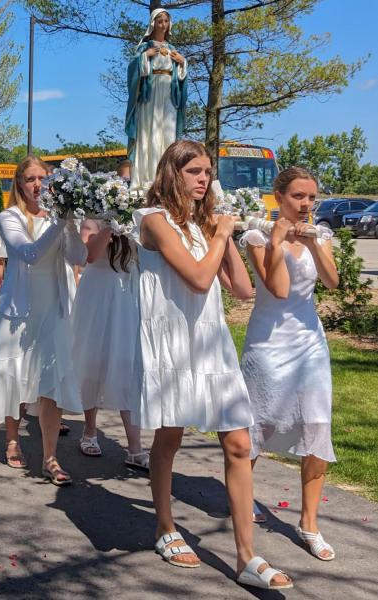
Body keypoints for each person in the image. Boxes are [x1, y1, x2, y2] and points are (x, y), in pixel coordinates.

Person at [131, 140, 291, 590]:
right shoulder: (153, 221)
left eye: (207, 172)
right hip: (173, 343)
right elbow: (199, 280)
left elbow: (241, 289)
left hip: (211, 341)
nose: (204, 179)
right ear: (172, 173)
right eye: (195, 171)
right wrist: (219, 234)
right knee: (170, 436)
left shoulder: (205, 226)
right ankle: (165, 526)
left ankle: (247, 557)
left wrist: (226, 236)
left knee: (239, 444)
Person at [241, 167, 339, 560]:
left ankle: (309, 523)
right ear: (278, 197)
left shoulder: (322, 235)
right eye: (298, 196)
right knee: (255, 425)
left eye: (312, 197)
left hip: (310, 343)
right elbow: (275, 289)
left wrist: (315, 245)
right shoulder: (256, 235)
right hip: (267, 341)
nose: (306, 205)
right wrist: (278, 240)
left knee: (317, 424)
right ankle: (242, 497)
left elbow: (332, 282)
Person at [0, 156, 87, 485]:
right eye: (30, 179)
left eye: (43, 178)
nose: (38, 185)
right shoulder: (10, 218)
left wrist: (69, 224)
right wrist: (58, 223)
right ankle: (12, 439)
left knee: (51, 382)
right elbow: (30, 254)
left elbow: (79, 258)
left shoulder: (57, 219)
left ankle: (50, 457)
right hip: (19, 312)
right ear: (20, 185)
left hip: (54, 308)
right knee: (15, 379)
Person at [72, 218, 149, 468]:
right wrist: (111, 226)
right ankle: (90, 431)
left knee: (128, 363)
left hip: (128, 293)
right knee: (93, 359)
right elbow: (89, 256)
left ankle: (135, 448)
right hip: (97, 293)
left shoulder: (139, 216)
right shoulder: (92, 220)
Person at [125, 8, 188, 189]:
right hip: (150, 95)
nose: (163, 25)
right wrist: (145, 57)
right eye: (159, 21)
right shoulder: (145, 47)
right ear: (153, 24)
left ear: (169, 25)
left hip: (169, 94)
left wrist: (183, 62)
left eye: (165, 21)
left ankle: (167, 178)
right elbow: (132, 70)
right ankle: (148, 177)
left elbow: (180, 76)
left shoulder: (173, 50)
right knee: (149, 132)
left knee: (167, 135)